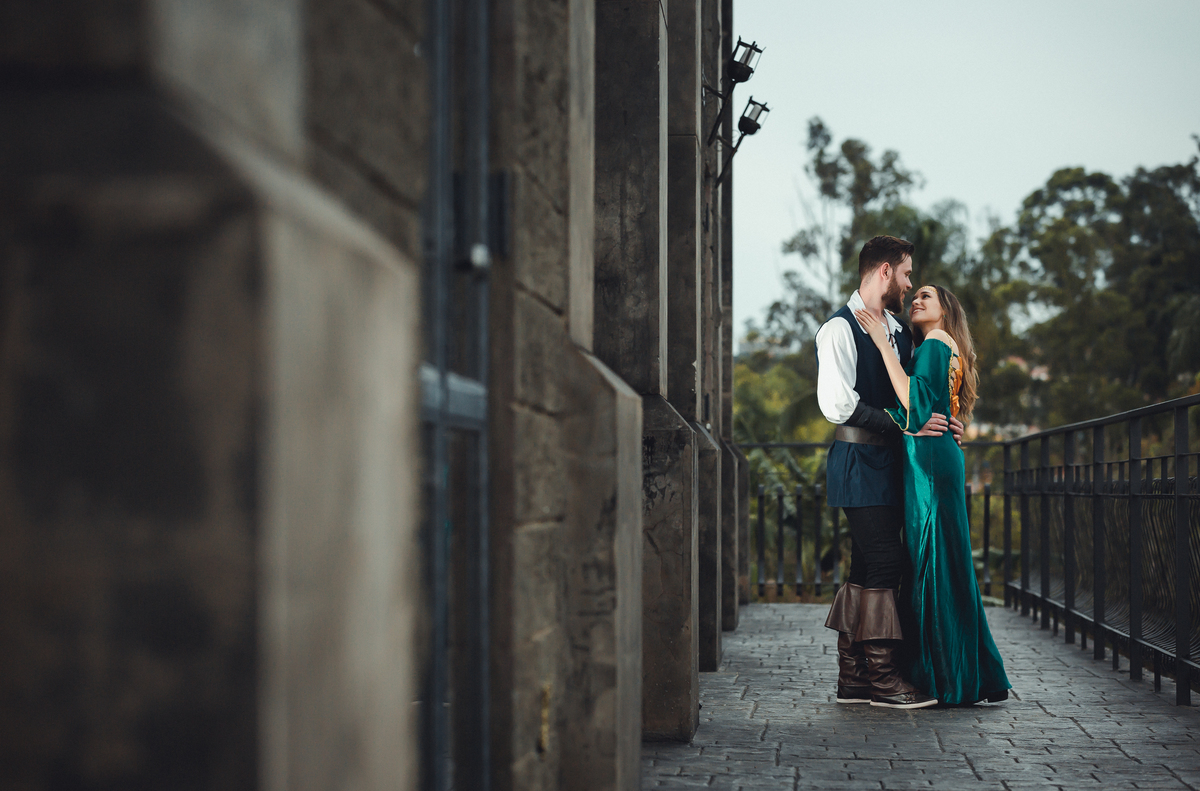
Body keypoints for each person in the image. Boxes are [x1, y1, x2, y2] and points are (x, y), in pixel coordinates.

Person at [816, 236, 961, 710]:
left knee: (865, 566)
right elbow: (838, 404)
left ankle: (854, 677)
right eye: (905, 273)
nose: (910, 282)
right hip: (858, 464)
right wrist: (907, 427)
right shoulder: (837, 329)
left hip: (893, 467)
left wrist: (942, 421)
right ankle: (882, 680)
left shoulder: (899, 329)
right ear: (884, 272)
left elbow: (917, 394)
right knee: (885, 563)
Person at [854, 284, 1012, 706]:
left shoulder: (935, 343)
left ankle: (944, 677)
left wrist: (880, 344)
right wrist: (955, 420)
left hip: (928, 462)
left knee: (932, 560)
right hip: (938, 457)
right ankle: (967, 672)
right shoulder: (945, 347)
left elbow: (915, 404)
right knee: (944, 559)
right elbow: (942, 408)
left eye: (928, 297)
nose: (917, 301)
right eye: (916, 295)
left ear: (946, 311)